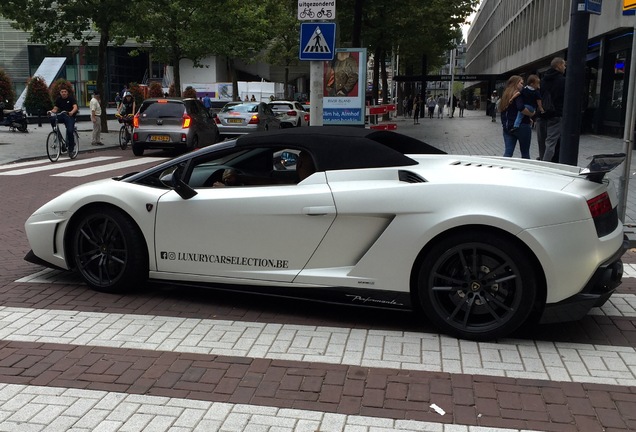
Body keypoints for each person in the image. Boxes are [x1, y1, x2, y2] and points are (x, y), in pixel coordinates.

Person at [499, 75, 534, 159]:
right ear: (515, 83)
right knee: (525, 154)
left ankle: (504, 169)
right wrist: (531, 114)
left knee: (508, 153)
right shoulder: (518, 95)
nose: (523, 85)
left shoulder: (505, 96)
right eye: (521, 83)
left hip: (508, 128)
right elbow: (521, 108)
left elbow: (503, 113)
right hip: (522, 126)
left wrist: (505, 126)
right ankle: (525, 171)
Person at [541, 57, 567, 162]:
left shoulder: (543, 80)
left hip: (542, 114)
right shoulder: (563, 81)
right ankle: (544, 165)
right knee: (551, 143)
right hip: (556, 114)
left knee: (543, 142)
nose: (565, 67)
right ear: (559, 66)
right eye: (564, 65)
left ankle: (544, 161)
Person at [47, 88, 79, 155]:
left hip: (69, 116)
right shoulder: (58, 99)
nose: (63, 93)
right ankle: (55, 131)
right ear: (60, 93)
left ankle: (71, 149)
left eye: (65, 92)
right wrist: (50, 111)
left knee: (70, 131)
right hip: (62, 115)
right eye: (62, 92)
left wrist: (72, 112)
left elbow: (75, 107)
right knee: (52, 118)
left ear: (67, 93)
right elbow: (55, 109)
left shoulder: (71, 99)